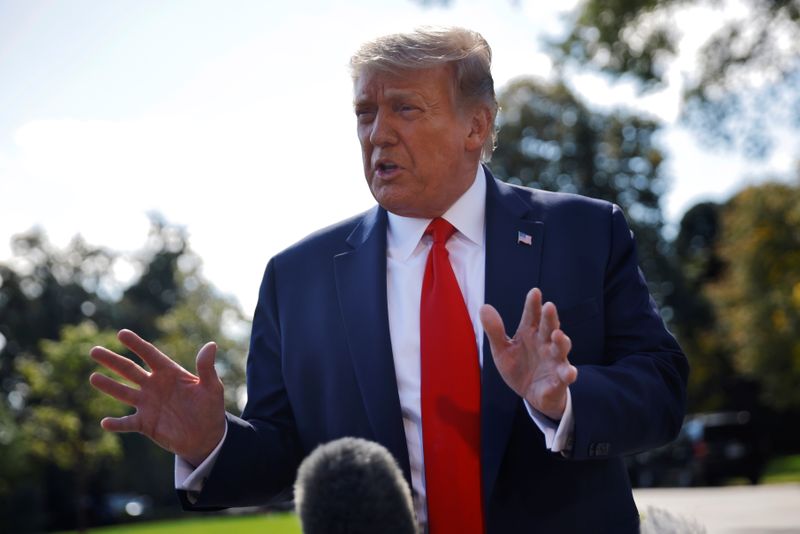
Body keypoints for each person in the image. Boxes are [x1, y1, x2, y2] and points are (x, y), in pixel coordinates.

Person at [90, 27, 688, 533]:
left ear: (476, 126)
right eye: (365, 113)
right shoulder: (296, 279)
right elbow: (281, 454)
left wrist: (565, 401)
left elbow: (661, 389)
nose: (378, 133)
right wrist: (211, 442)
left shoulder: (585, 233)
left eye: (405, 108)